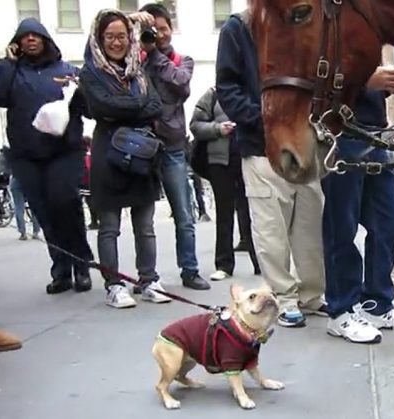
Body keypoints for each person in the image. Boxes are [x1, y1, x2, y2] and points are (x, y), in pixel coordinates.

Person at [216, 1, 327, 327]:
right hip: (262, 145)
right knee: (271, 230)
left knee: (309, 225)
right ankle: (284, 297)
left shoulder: (304, 23)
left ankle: (311, 295)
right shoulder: (239, 27)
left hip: (304, 143)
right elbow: (228, 87)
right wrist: (264, 119)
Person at [0, 18, 94, 294]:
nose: (30, 40)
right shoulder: (12, 72)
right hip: (26, 155)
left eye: (36, 35)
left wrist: (79, 89)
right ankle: (61, 270)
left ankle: (82, 265)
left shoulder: (66, 70)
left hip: (63, 152)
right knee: (44, 213)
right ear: (17, 43)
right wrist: (6, 63)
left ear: (45, 39)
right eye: (24, 36)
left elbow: (90, 108)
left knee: (65, 204)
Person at [79, 8, 171, 309]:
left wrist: (123, 107)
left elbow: (156, 106)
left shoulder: (139, 71)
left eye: (121, 36)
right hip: (108, 155)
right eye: (109, 37)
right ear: (99, 39)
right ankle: (114, 284)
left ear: (129, 38)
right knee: (109, 227)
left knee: (145, 225)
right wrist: (135, 104)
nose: (116, 43)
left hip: (141, 153)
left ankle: (149, 280)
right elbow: (100, 106)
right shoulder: (90, 72)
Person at [321, 67, 394, 344]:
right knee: (341, 228)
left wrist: (388, 85)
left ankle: (377, 303)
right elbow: (311, 72)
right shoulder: (324, 25)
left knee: (388, 223)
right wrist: (363, 80)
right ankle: (340, 311)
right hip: (340, 133)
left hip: (374, 133)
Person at [137, 3, 209, 291]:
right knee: (143, 218)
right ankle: (147, 276)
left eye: (163, 28)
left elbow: (180, 84)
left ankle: (190, 270)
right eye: (152, 30)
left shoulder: (182, 60)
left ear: (171, 28)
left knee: (184, 213)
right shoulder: (134, 60)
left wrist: (153, 53)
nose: (159, 34)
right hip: (141, 145)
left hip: (173, 146)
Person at [189, 85, 261, 280]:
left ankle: (260, 263)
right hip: (220, 161)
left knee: (253, 214)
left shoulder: (253, 91)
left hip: (249, 158)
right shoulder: (213, 95)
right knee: (224, 213)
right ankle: (224, 265)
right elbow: (195, 125)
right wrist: (218, 129)